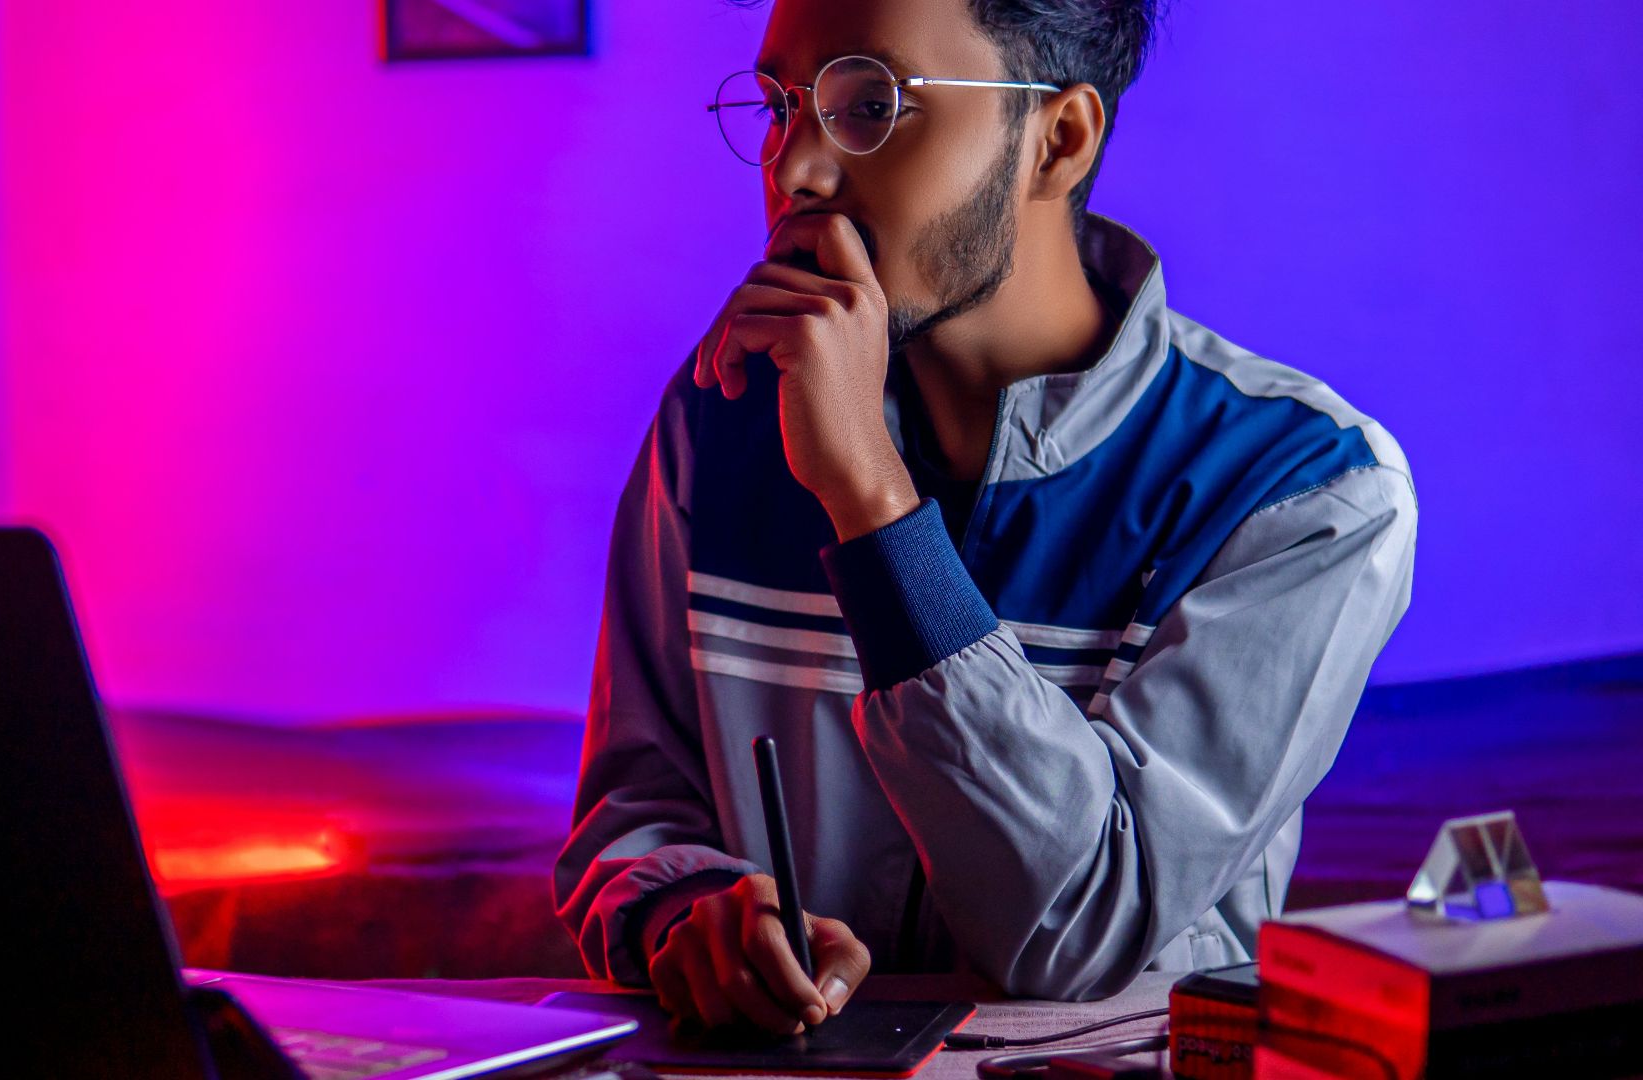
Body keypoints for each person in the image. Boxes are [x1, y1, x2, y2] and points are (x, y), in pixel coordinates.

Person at [552, 0, 1417, 1037]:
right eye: (783, 106)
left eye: (871, 104)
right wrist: (687, 921)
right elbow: (632, 815)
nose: (796, 171)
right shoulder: (723, 422)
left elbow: (1078, 931)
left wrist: (868, 496)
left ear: (1059, 139)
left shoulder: (1301, 487)